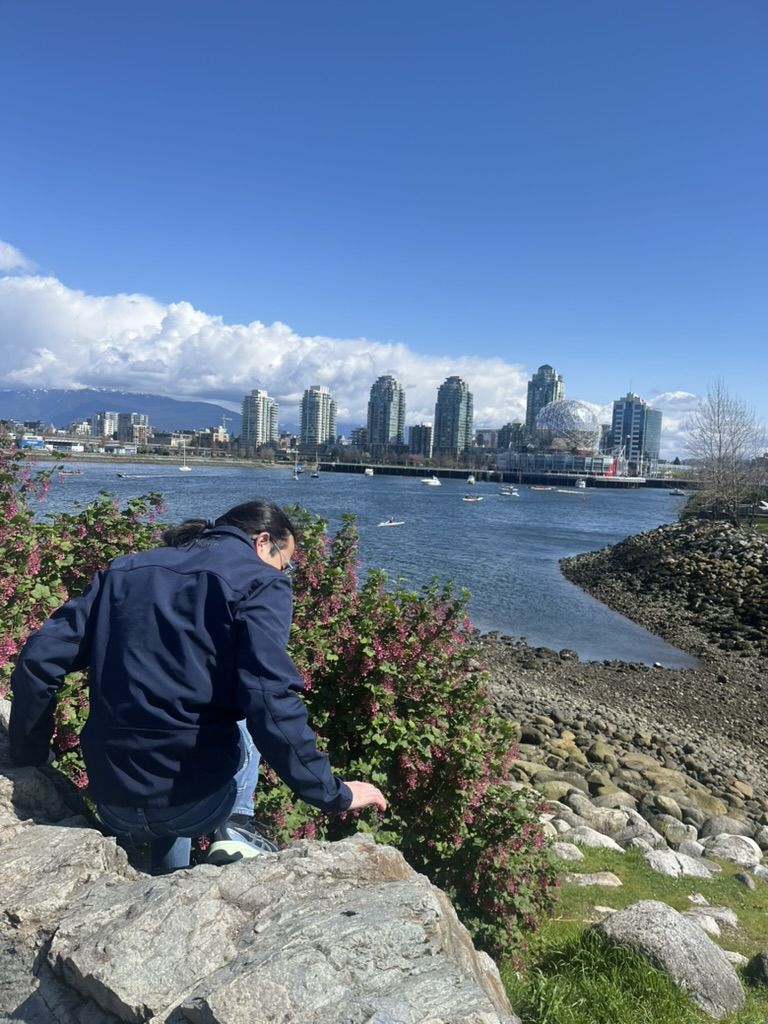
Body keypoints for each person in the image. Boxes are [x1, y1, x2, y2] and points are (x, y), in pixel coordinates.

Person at [8, 499, 387, 873]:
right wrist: (333, 793)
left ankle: (167, 879)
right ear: (262, 541)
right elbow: (268, 697)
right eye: (285, 564)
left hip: (113, 800)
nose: (283, 573)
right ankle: (236, 827)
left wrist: (29, 754)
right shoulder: (261, 581)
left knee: (164, 705)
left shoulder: (124, 570)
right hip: (197, 805)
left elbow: (38, 660)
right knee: (241, 710)